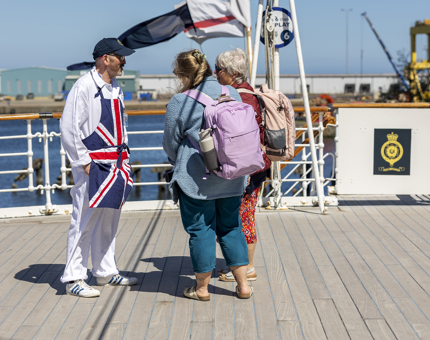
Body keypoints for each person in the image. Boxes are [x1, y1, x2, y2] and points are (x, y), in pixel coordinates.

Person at [163, 49, 253, 300]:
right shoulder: (231, 92)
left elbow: (170, 143)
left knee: (201, 230)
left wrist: (177, 160)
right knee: (231, 227)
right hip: (233, 175)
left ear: (184, 74)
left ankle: (201, 289)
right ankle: (244, 286)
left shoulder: (180, 101)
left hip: (197, 180)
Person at [59, 38, 138, 298]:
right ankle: (74, 278)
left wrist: (124, 158)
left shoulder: (115, 87)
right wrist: (84, 162)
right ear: (106, 58)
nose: (124, 61)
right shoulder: (83, 87)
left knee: (109, 219)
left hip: (115, 163)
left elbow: (120, 125)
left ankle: (104, 271)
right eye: (120, 57)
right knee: (83, 221)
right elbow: (69, 129)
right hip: (93, 165)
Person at [214, 48, 271, 283]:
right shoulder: (252, 94)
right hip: (257, 165)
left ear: (231, 73)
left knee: (243, 215)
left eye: (218, 70)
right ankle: (241, 264)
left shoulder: (239, 98)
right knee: (245, 214)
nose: (215, 74)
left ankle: (246, 267)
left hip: (245, 168)